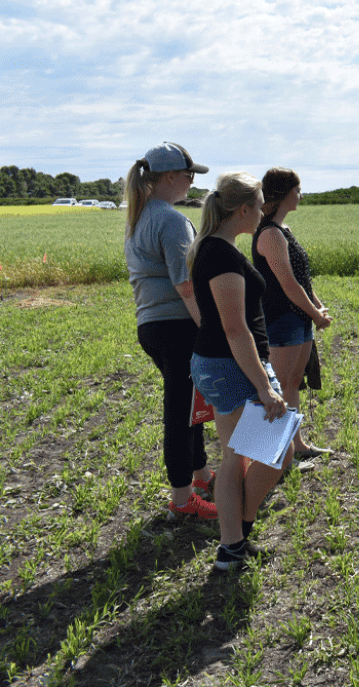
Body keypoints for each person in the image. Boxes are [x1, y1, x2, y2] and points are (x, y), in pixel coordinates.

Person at [188, 172, 291, 571]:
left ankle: (232, 546)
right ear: (243, 209)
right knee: (276, 452)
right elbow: (235, 328)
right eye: (261, 202)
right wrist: (265, 387)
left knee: (237, 457)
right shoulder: (222, 255)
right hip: (233, 367)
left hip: (217, 364)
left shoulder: (215, 248)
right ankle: (240, 529)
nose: (265, 208)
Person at [123, 142, 218, 520]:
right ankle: (182, 500)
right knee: (181, 412)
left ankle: (201, 476)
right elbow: (186, 286)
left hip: (152, 326)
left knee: (192, 406)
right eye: (189, 174)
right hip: (176, 326)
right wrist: (210, 331)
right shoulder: (171, 219)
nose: (192, 182)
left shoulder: (142, 215)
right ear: (169, 177)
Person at [252, 168, 333, 460]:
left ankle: (296, 446)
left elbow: (301, 279)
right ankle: (269, 456)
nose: (301, 195)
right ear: (285, 194)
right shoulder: (270, 234)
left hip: (297, 318)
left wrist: (317, 306)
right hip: (280, 319)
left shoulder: (283, 230)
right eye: (298, 190)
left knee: (292, 383)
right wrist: (315, 314)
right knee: (276, 389)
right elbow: (287, 283)